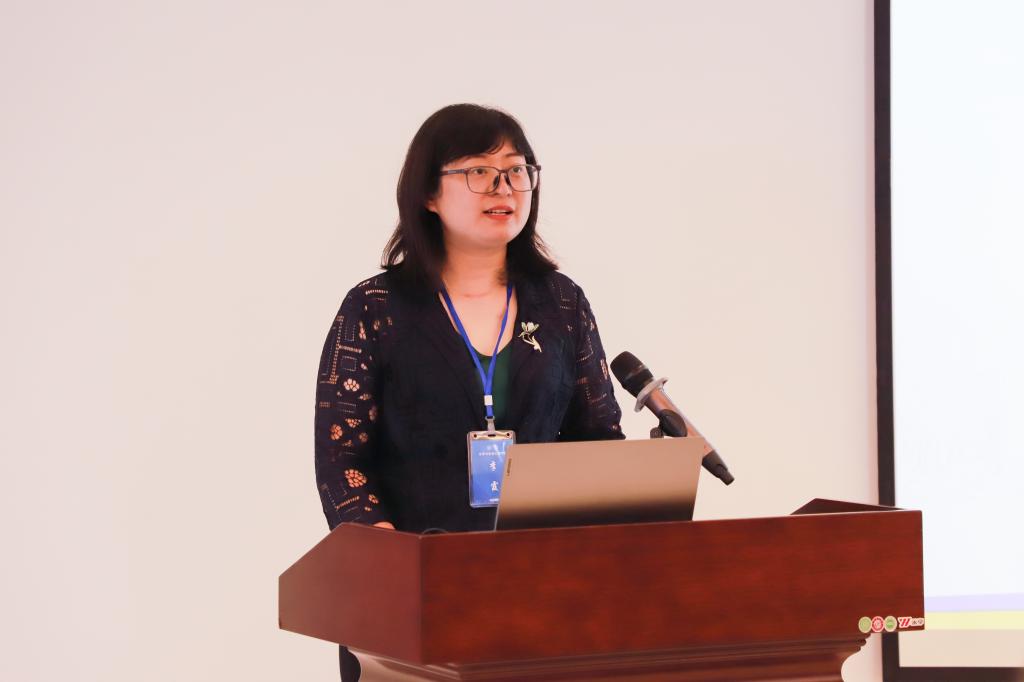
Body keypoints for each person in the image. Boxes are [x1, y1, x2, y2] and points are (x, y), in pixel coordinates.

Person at [313, 103, 624, 680]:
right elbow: (342, 460)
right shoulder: (376, 309)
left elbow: (599, 438)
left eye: (516, 170)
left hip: (544, 594)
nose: (503, 187)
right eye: (479, 170)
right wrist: (394, 567)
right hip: (411, 601)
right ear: (428, 194)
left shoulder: (561, 303)